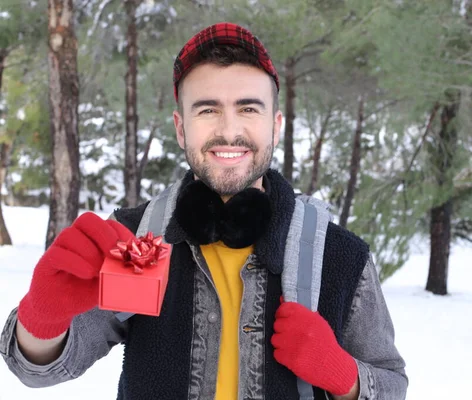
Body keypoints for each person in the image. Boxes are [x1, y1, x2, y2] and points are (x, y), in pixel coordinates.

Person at [0, 22, 408, 400]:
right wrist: (41, 317)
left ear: (276, 126)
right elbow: (39, 372)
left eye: (249, 109)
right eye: (207, 109)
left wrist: (346, 378)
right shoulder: (135, 240)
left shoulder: (339, 256)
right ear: (180, 128)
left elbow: (392, 384)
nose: (229, 130)